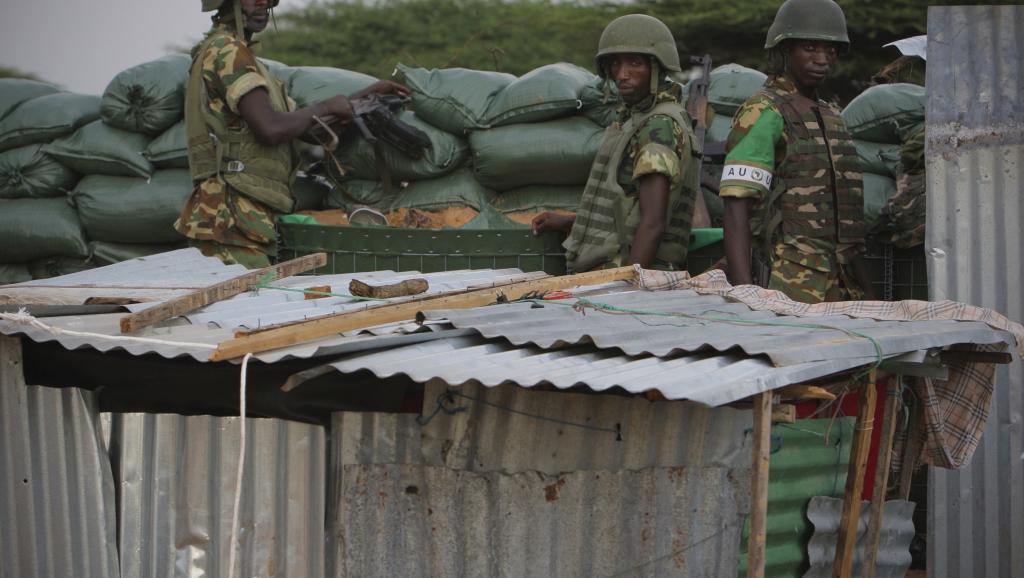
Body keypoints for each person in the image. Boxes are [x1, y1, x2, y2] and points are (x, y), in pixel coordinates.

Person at [176, 0, 408, 268]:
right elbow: (271, 129)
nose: (263, 2)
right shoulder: (226, 50)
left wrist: (358, 100)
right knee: (252, 306)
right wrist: (326, 105)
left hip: (246, 217)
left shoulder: (248, 60)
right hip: (228, 218)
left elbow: (302, 128)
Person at [719, 0, 872, 302]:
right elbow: (736, 207)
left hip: (843, 287)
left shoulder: (831, 116)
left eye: (830, 51)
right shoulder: (763, 111)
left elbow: (845, 228)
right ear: (785, 50)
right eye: (810, 48)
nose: (822, 59)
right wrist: (746, 293)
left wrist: (869, 293)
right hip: (786, 286)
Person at [532, 14, 701, 272]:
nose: (622, 74)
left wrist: (628, 288)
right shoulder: (636, 119)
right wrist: (573, 222)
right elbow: (629, 209)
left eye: (635, 63)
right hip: (617, 267)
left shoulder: (658, 125)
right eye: (615, 64)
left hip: (629, 270)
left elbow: (653, 222)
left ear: (656, 68)